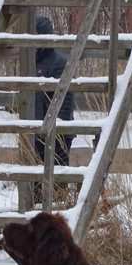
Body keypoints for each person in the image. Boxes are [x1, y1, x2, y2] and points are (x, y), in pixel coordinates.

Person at [34, 16, 76, 203]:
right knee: (35, 186)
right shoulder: (33, 63)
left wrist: (60, 135)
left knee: (57, 187)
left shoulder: (59, 62)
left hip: (56, 135)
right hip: (35, 133)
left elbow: (64, 103)